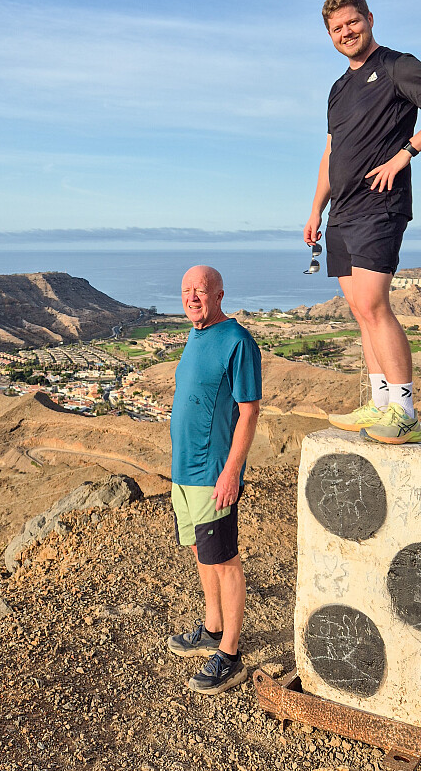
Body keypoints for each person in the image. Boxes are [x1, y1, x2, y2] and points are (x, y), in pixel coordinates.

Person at [304, 0, 421, 444]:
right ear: (329, 35)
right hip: (341, 211)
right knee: (360, 311)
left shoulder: (398, 66)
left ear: (370, 19)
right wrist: (316, 208)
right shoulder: (338, 88)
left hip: (379, 205)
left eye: (352, 22)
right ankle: (380, 404)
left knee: (374, 304)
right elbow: (330, 153)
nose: (346, 32)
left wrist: (405, 154)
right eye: (337, 28)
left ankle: (405, 413)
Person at [166, 265, 262, 694]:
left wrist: (231, 472)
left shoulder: (237, 341)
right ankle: (212, 628)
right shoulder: (195, 335)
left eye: (200, 290)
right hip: (183, 472)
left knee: (224, 561)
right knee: (201, 553)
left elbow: (249, 411)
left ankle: (230, 653)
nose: (192, 297)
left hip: (212, 473)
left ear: (219, 295)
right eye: (186, 290)